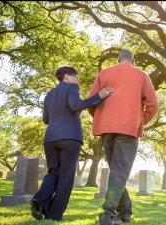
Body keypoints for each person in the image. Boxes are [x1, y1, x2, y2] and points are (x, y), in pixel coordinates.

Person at [30, 66, 114, 221]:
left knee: (53, 173)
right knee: (66, 177)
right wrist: (99, 96)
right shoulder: (72, 87)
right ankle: (54, 216)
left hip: (50, 139)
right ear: (68, 77)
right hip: (70, 138)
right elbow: (75, 105)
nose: (78, 81)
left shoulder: (49, 95)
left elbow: (46, 120)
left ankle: (39, 199)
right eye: (77, 77)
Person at [88, 49, 158, 225]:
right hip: (128, 128)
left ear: (118, 58)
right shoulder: (141, 75)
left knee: (117, 172)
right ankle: (108, 214)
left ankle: (125, 211)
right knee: (120, 172)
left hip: (106, 128)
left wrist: (101, 119)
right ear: (133, 60)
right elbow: (153, 105)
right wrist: (140, 122)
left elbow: (91, 101)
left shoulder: (104, 73)